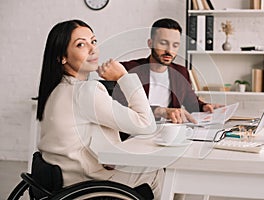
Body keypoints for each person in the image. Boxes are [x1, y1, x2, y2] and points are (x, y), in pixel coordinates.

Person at [36, 19, 163, 199]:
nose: (92, 48)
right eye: (81, 44)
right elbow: (146, 124)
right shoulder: (86, 91)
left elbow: (78, 139)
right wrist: (123, 76)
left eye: (93, 41)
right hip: (85, 186)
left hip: (61, 183)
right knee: (156, 172)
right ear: (62, 57)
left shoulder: (56, 90)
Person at [121, 18, 218, 124]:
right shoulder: (129, 69)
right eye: (163, 43)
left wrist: (204, 107)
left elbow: (191, 103)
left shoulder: (181, 72)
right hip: (136, 132)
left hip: (169, 132)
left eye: (175, 45)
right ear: (150, 43)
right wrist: (160, 111)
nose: (169, 50)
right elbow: (121, 107)